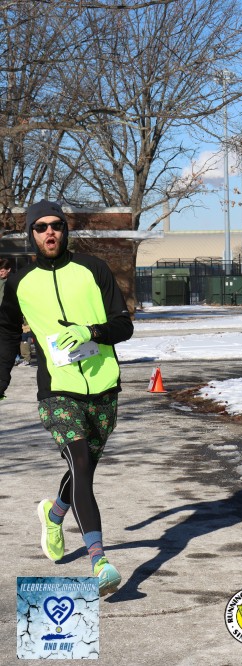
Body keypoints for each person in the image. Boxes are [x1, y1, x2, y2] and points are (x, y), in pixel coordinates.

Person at [0, 200, 133, 596]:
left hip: (103, 386)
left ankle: (54, 513)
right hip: (57, 389)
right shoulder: (19, 283)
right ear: (31, 234)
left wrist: (92, 331)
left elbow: (123, 325)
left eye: (55, 225)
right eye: (40, 227)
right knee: (80, 460)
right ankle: (100, 562)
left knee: (83, 471)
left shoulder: (93, 269)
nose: (49, 232)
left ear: (65, 229)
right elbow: (6, 335)